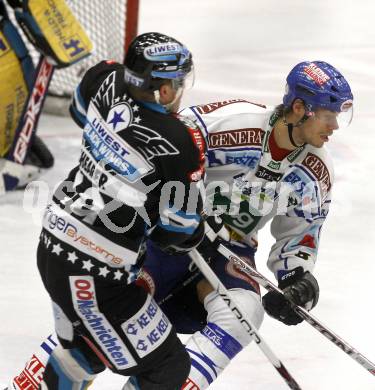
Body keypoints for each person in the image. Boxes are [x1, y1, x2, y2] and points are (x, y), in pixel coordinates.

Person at [134, 60, 354, 389]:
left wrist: (296, 280)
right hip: (173, 231)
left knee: (245, 311)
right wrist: (183, 205)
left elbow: (299, 235)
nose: (334, 126)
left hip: (231, 248)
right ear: (300, 108)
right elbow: (170, 141)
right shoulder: (234, 121)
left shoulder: (316, 170)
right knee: (119, 299)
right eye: (328, 114)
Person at [35, 32, 207, 389]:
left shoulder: (104, 75)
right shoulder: (178, 142)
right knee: (168, 368)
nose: (180, 90)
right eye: (177, 82)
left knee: (81, 353)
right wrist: (199, 229)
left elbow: (79, 112)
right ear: (162, 90)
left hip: (53, 241)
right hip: (94, 274)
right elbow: (176, 234)